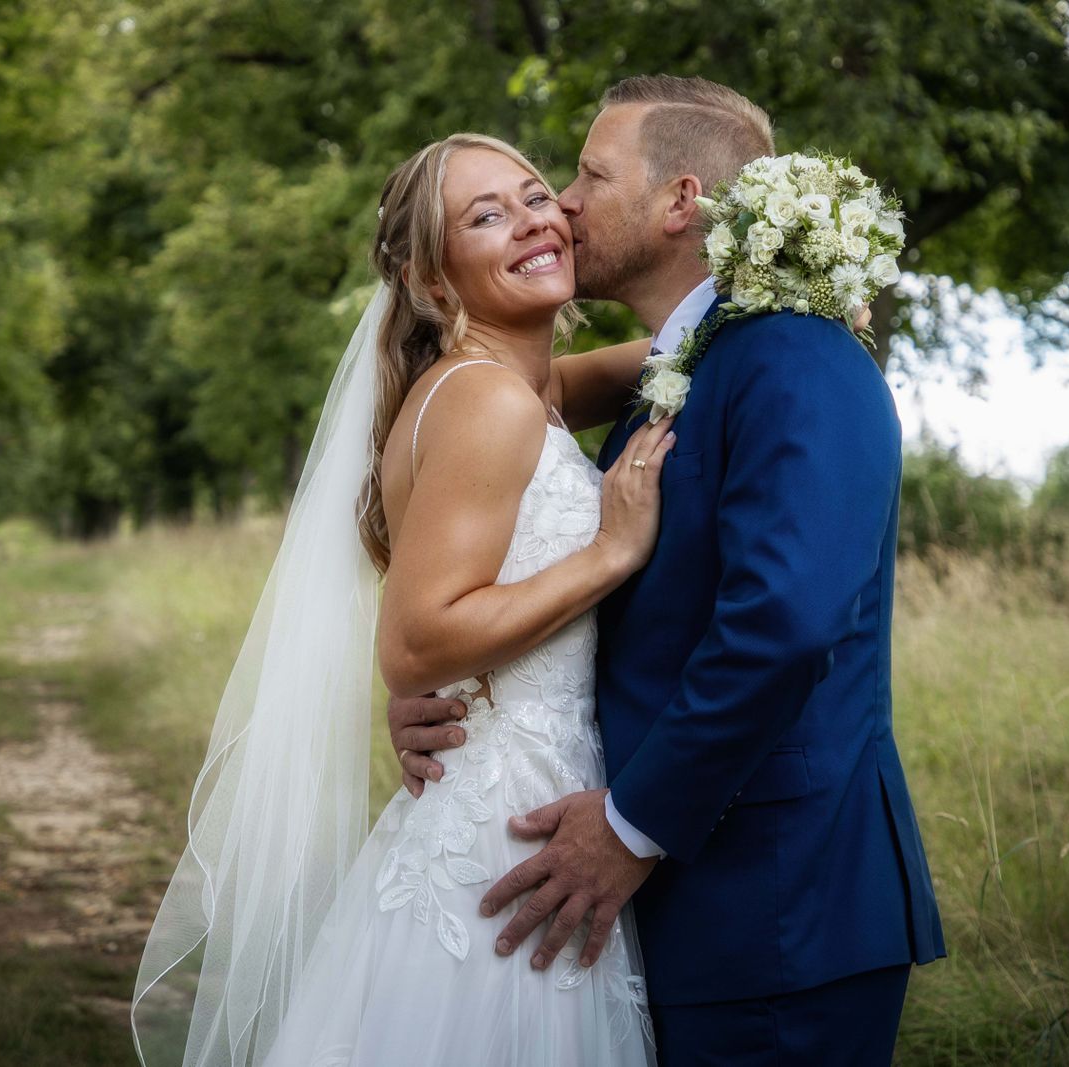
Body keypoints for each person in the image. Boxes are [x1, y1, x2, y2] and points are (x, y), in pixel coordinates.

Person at [389, 76, 946, 1066]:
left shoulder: (795, 355)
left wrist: (634, 822)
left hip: (777, 903)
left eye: (586, 177)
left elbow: (787, 621)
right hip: (671, 898)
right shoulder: (676, 374)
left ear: (678, 202)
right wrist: (448, 686)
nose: (559, 202)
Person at [132, 133, 672, 1066]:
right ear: (431, 279)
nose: (533, 220)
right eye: (485, 216)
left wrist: (768, 292)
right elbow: (418, 645)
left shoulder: (519, 388)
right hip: (507, 823)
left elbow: (650, 357)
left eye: (536, 194)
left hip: (506, 794)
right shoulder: (485, 400)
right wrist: (610, 552)